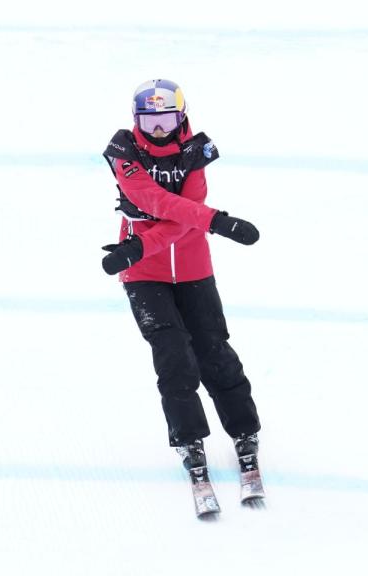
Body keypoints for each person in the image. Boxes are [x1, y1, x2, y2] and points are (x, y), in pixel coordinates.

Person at [100, 79, 262, 473]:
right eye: (150, 121)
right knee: (173, 356)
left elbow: (186, 215)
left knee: (214, 351)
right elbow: (153, 200)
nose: (159, 130)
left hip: (190, 266)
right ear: (136, 120)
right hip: (143, 274)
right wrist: (214, 222)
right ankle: (189, 439)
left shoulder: (195, 151)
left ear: (182, 116)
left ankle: (244, 432)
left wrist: (143, 242)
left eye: (167, 119)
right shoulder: (124, 150)